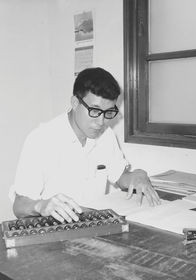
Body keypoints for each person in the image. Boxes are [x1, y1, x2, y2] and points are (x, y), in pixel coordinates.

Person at [11, 67, 160, 223]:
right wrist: (40, 206)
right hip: (53, 228)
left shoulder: (106, 135)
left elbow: (120, 177)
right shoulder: (41, 140)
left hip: (94, 224)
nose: (101, 122)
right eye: (95, 111)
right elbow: (19, 206)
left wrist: (137, 176)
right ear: (75, 103)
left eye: (108, 112)